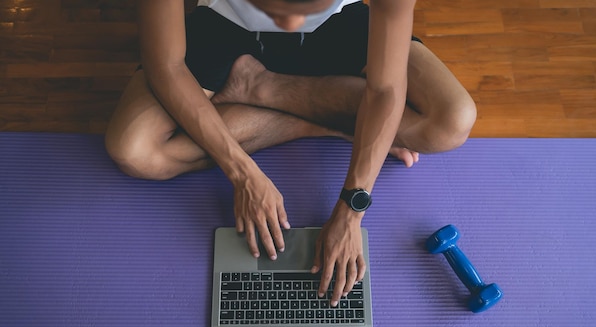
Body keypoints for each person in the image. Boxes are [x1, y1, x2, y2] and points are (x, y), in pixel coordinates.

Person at [105, 0, 477, 307]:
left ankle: (263, 87)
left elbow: (383, 91)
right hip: (226, 28)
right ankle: (328, 123)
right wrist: (242, 172)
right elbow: (166, 66)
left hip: (338, 27)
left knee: (451, 122)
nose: (291, 22)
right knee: (133, 150)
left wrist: (352, 210)